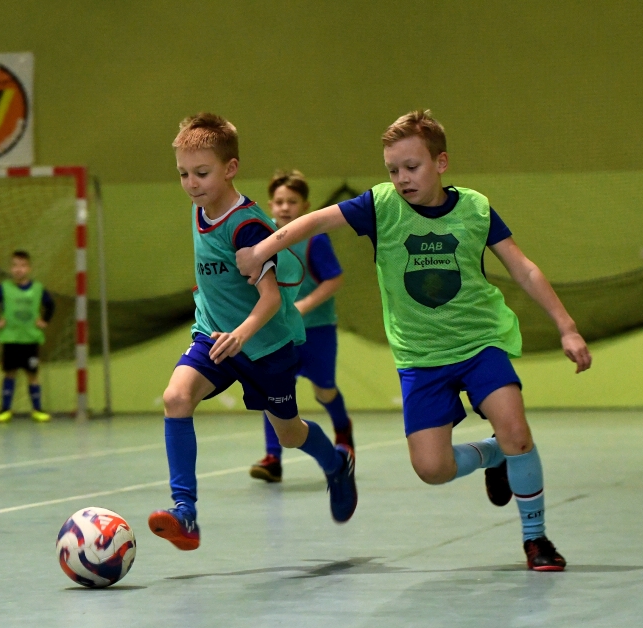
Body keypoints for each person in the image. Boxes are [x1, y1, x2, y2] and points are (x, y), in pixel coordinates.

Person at [236, 110, 592, 571]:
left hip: (479, 342)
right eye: (393, 169)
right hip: (420, 356)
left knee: (517, 432)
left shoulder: (475, 208)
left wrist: (567, 326)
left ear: (440, 163)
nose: (402, 178)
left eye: (412, 166)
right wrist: (263, 249)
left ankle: (535, 537)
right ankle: (494, 456)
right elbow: (315, 222)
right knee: (432, 469)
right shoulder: (381, 205)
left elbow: (523, 268)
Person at [148, 113, 358, 551]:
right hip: (214, 337)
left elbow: (270, 299)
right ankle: (185, 512)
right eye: (183, 174)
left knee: (290, 434)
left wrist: (241, 334)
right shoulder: (200, 206)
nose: (191, 183)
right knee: (176, 398)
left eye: (201, 173)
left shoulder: (247, 227)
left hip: (263, 345)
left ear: (230, 168)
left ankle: (337, 464)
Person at [251, 170, 354, 484]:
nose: (285, 207)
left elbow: (334, 278)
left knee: (324, 390)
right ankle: (273, 458)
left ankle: (343, 431)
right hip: (280, 333)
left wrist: (305, 305)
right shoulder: (262, 241)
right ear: (270, 204)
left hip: (316, 330)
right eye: (279, 201)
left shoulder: (315, 239)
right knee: (273, 392)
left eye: (292, 201)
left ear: (305, 206)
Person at [0, 250, 55, 423]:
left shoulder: (38, 288)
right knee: (10, 373)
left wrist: (45, 320)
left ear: (29, 268)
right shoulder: (3, 288)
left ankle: (37, 409)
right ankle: (5, 409)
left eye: (23, 266)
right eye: (15, 265)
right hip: (11, 339)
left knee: (33, 374)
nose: (19, 269)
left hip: (30, 340)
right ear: (10, 268)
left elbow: (50, 305)